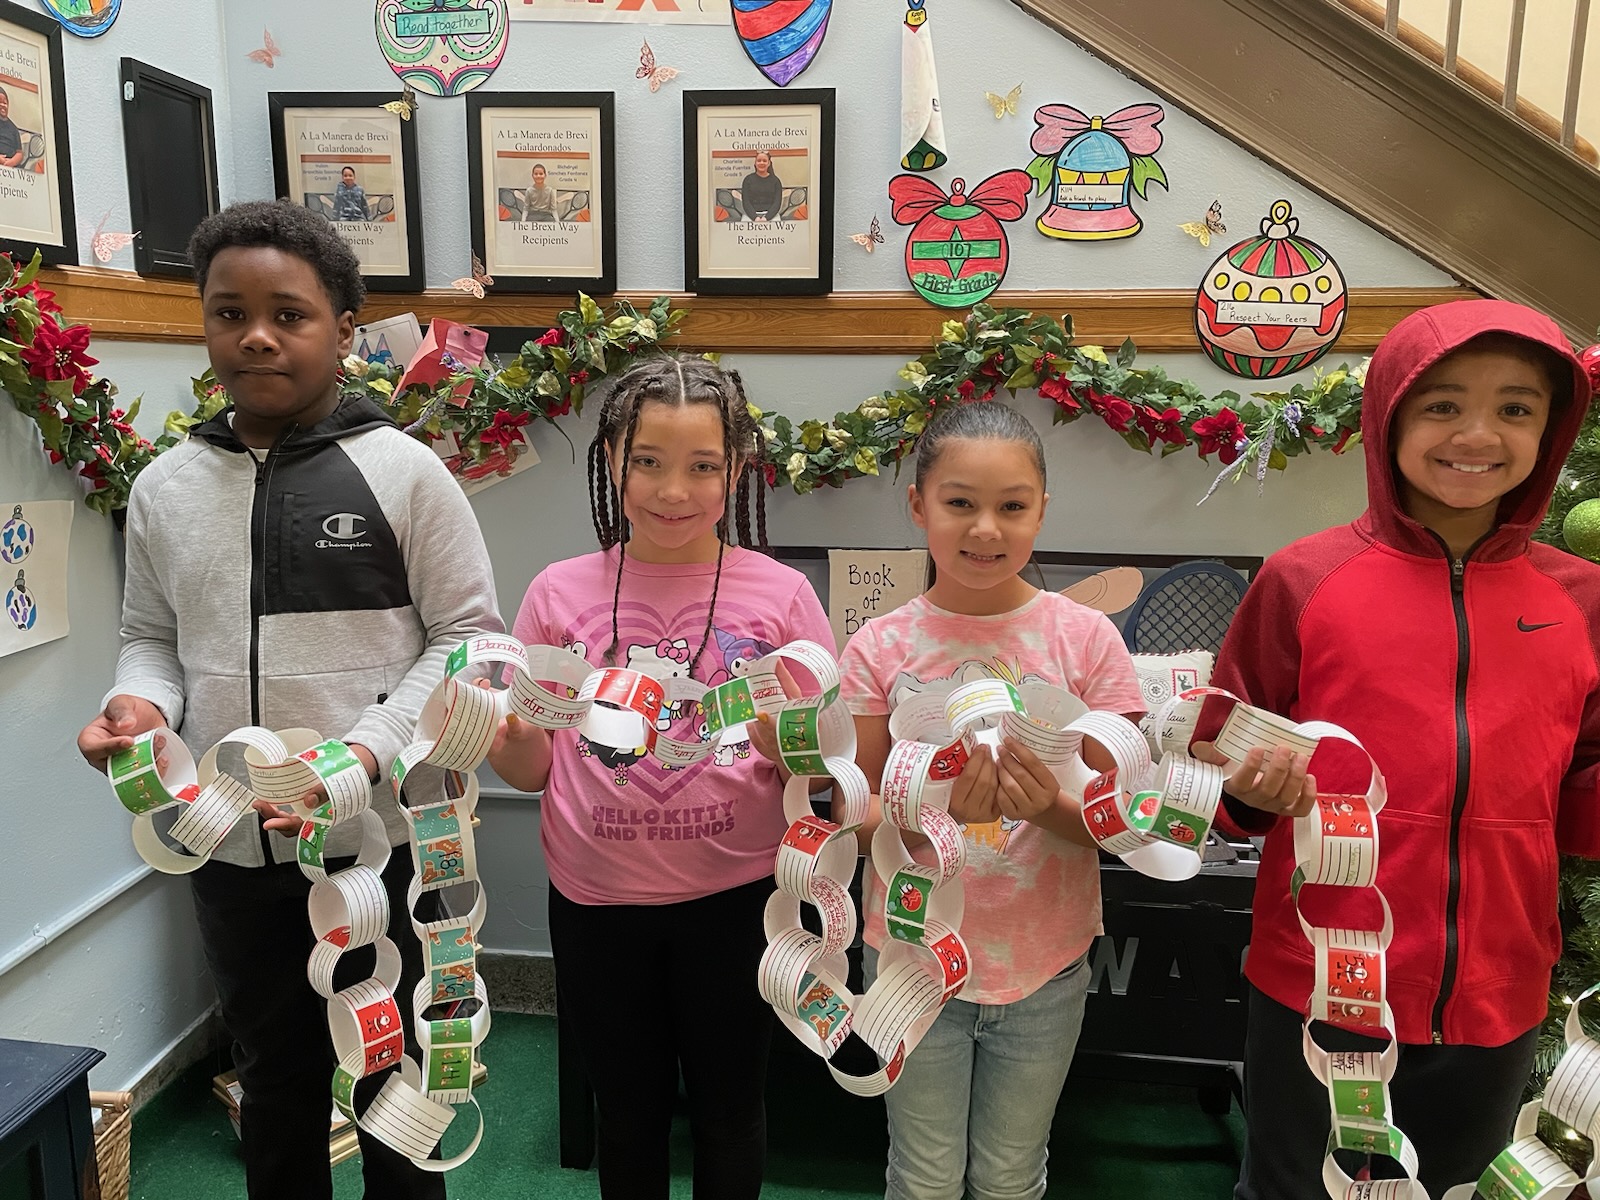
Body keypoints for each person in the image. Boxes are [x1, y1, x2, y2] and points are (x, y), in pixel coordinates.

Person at [75, 200, 501, 1200]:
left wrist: (365, 755)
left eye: (290, 313)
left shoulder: (407, 475)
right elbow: (152, 641)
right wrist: (141, 707)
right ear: (206, 323)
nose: (257, 335)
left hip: (376, 844)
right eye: (229, 312)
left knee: (393, 1084)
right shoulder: (166, 489)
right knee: (275, 1082)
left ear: (344, 329)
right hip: (229, 845)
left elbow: (472, 640)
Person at [1200, 299, 1599, 1200]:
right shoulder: (1303, 579)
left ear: (1552, 428)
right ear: (1391, 418)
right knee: (1295, 1189)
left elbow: (1585, 778)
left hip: (1498, 988)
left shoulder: (1582, 598)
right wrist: (1250, 787)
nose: (1478, 434)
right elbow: (1218, 761)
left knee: (1455, 1187)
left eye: (1516, 409)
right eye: (1444, 404)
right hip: (1321, 984)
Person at [487, 354, 834, 1200]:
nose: (673, 490)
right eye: (647, 461)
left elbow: (820, 769)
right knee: (628, 1116)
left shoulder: (782, 596)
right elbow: (529, 768)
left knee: (729, 1110)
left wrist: (790, 741)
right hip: (597, 904)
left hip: (737, 902)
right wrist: (499, 729)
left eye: (703, 466)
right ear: (611, 459)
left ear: (737, 471)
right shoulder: (557, 593)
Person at [838, 400, 1145, 1200]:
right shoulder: (881, 647)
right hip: (910, 953)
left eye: (1012, 507)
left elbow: (1128, 826)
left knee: (1012, 1174)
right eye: (959, 503)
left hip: (1044, 961)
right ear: (918, 506)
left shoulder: (1086, 643)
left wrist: (1039, 806)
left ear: (1042, 508)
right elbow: (860, 805)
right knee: (925, 1174)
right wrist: (926, 804)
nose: (986, 530)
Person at [740, 150, 782, 222]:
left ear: (769, 163)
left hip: (771, 215)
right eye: (759, 160)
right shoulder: (747, 180)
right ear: (755, 163)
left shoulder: (776, 181)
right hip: (751, 215)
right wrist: (755, 218)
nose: (761, 163)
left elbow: (777, 203)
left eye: (764, 161)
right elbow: (746, 202)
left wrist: (766, 218)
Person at [0, 87, 25, 170]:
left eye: (5, 103)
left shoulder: (13, 128)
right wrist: (1, 160)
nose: (2, 105)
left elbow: (19, 153)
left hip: (11, 167)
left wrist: (12, 162)